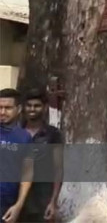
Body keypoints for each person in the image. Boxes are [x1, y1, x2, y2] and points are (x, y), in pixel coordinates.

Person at [20, 91, 63, 222]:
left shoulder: (53, 134)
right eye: (29, 105)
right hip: (16, 199)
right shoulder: (16, 132)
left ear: (44, 108)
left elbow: (58, 169)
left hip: (43, 200)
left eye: (36, 105)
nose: (32, 109)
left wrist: (53, 202)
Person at [0, 88, 34, 223]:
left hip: (6, 203)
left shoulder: (24, 138)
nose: (2, 112)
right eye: (0, 107)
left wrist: (18, 205)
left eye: (7, 108)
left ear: (18, 109)